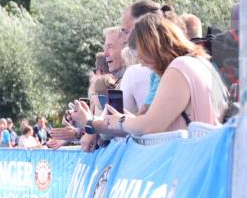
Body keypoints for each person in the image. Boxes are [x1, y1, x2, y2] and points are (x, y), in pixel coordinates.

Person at [84, 13, 227, 136]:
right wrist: (130, 120)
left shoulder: (179, 68)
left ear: (151, 48)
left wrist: (121, 121)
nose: (143, 65)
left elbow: (150, 126)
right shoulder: (203, 64)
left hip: (190, 160)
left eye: (142, 58)